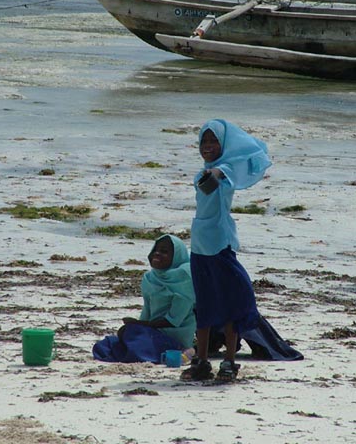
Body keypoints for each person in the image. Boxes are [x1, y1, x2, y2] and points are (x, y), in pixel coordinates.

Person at [182, 118, 300, 382]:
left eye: (214, 141)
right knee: (204, 306)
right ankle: (201, 361)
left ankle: (229, 362)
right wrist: (210, 173)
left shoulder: (223, 171)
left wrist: (216, 173)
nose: (208, 146)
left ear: (223, 145)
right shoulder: (202, 172)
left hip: (221, 246)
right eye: (204, 141)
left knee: (233, 303)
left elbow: (224, 174)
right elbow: (206, 179)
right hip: (200, 247)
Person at [93, 234, 196, 363]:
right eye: (155, 250)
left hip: (174, 336)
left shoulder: (184, 280)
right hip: (152, 332)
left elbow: (174, 320)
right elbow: (147, 310)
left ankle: (185, 350)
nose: (157, 254)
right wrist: (136, 329)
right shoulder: (150, 278)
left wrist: (139, 326)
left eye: (164, 252)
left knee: (133, 344)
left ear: (176, 257)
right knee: (106, 345)